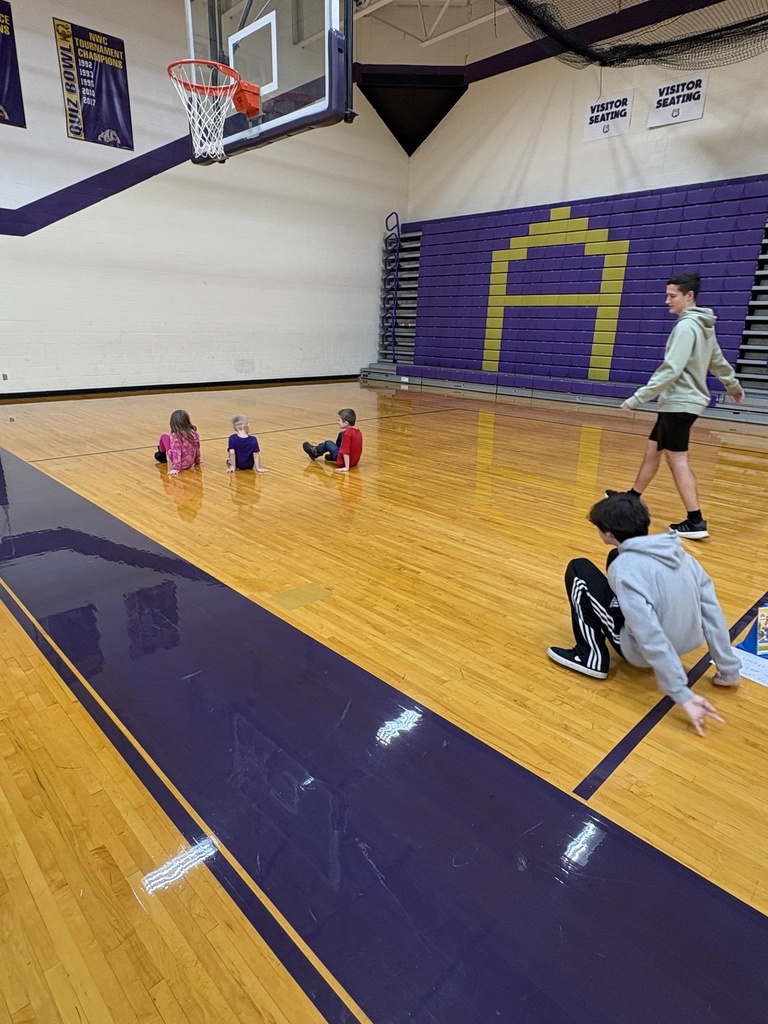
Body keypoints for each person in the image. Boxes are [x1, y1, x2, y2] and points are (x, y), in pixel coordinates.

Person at [547, 493, 741, 736]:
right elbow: (712, 611)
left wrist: (683, 694)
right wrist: (728, 669)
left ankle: (590, 656)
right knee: (616, 556)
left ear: (608, 533)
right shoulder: (683, 555)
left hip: (640, 653)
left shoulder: (625, 568)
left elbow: (649, 635)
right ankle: (726, 669)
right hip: (688, 641)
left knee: (579, 569)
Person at [607, 272, 744, 540]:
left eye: (672, 296)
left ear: (689, 296)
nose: (667, 300)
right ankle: (633, 498)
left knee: (677, 460)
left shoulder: (686, 327)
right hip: (680, 403)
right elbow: (717, 360)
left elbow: (671, 369)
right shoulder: (703, 326)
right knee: (652, 450)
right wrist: (733, 385)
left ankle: (695, 520)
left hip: (680, 402)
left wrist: (638, 397)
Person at [302, 408, 363, 473]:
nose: (338, 422)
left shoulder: (347, 434)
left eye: (339, 420)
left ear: (346, 423)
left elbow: (346, 452)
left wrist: (346, 467)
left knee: (328, 443)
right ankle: (333, 455)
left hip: (343, 462)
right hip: (354, 461)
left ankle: (314, 452)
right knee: (341, 434)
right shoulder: (357, 431)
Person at [154, 410, 201, 476]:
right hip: (190, 463)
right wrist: (197, 461)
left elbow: (176, 452)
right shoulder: (194, 433)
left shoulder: (175, 436)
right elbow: (197, 448)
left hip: (181, 464)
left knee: (164, 437)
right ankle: (161, 454)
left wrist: (176, 468)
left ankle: (161, 454)